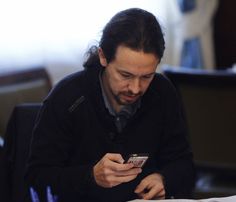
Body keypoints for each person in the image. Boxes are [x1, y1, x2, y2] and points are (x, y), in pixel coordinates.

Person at [26, 8, 195, 202]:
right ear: (103, 57)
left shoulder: (162, 92)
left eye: (147, 76)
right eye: (125, 75)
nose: (135, 88)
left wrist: (164, 180)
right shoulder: (68, 98)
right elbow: (37, 178)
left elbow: (183, 163)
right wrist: (90, 176)